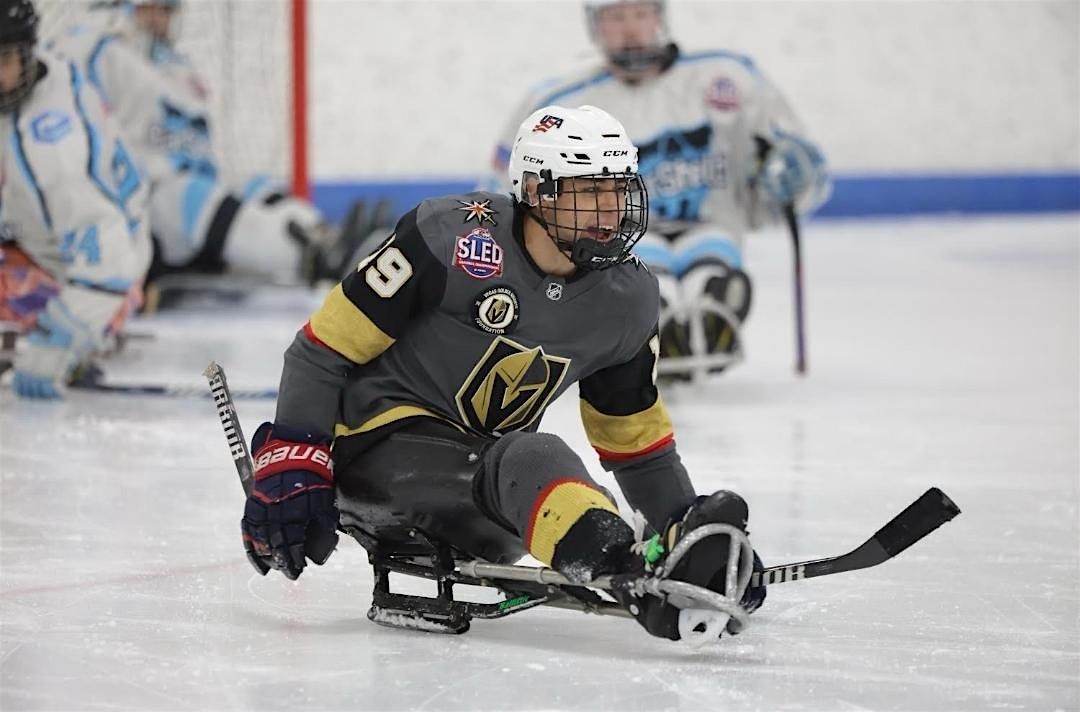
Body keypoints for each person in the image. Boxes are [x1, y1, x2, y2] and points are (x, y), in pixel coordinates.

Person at [239, 104, 766, 643]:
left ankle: (630, 557)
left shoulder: (629, 297)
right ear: (536, 190)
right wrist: (295, 457)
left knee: (538, 468)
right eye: (588, 192)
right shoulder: (448, 237)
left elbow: (634, 440)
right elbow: (321, 349)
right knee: (533, 456)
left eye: (616, 190)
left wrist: (687, 531)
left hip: (488, 490)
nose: (609, 212)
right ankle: (626, 576)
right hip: (371, 456)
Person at [488, 0, 831, 377]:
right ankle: (652, 319)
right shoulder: (561, 103)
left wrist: (793, 173)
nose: (630, 29)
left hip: (711, 227)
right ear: (595, 27)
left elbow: (800, 161)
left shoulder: (727, 77)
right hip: (620, 239)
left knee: (713, 274)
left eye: (640, 14)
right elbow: (507, 190)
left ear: (660, 18)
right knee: (641, 278)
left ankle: (703, 308)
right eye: (615, 18)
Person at [45, 0, 357, 292]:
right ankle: (313, 258)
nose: (165, 20)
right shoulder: (90, 46)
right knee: (190, 198)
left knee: (253, 185)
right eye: (160, 9)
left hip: (176, 205)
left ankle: (322, 235)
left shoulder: (171, 65)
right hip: (132, 211)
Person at [0, 0, 151, 399]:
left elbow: (112, 269)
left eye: (3, 60)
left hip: (98, 283)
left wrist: (61, 336)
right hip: (37, 240)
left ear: (27, 54)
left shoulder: (55, 156)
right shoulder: (44, 75)